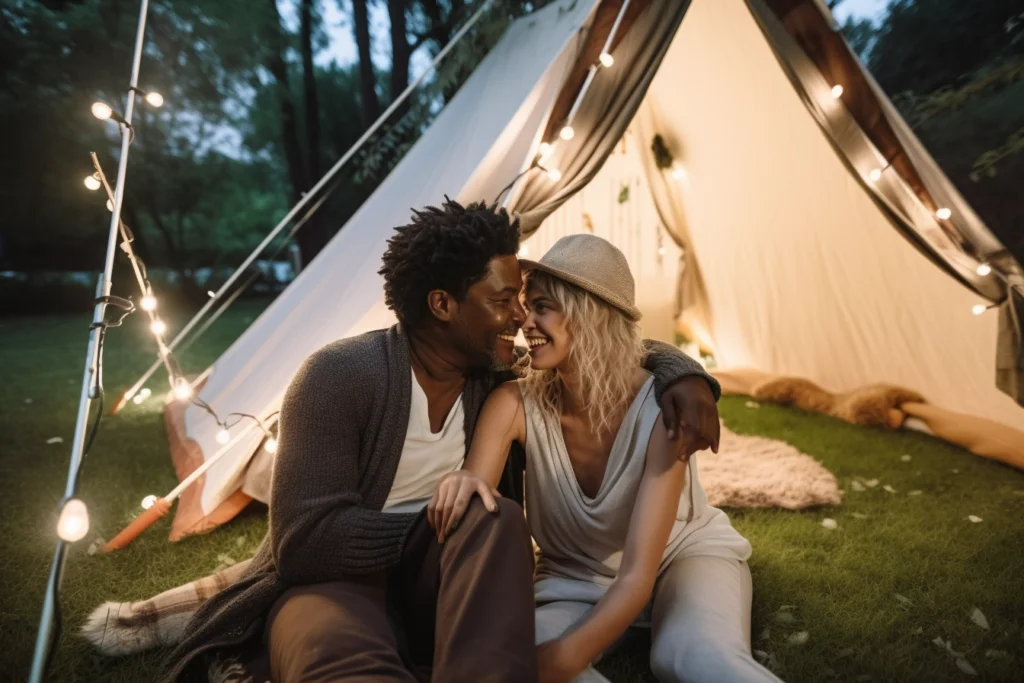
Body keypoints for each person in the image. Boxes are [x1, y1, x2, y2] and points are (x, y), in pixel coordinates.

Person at [159, 200, 723, 683]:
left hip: (448, 575)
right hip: (338, 582)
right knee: (348, 658)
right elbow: (304, 543)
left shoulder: (495, 380)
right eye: (504, 300)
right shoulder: (337, 376)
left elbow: (606, 341)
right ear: (443, 305)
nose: (520, 314)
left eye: (526, 301)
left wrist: (687, 375)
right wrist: (436, 524)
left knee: (496, 520)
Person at [428, 234, 783, 683]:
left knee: (687, 655)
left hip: (683, 560)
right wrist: (462, 481)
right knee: (513, 654)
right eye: (527, 306)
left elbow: (637, 577)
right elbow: (476, 490)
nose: (525, 323)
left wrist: (562, 661)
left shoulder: (661, 408)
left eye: (542, 307)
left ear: (587, 314)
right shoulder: (513, 403)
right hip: (573, 580)